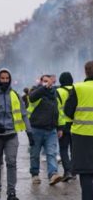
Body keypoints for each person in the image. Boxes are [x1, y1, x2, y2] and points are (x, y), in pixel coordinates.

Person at [0, 69, 33, 200]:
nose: (4, 80)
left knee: (11, 163)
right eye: (2, 78)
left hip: (11, 135)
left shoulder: (15, 95)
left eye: (7, 78)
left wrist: (29, 132)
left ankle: (11, 193)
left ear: (10, 79)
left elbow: (24, 114)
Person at [28, 74, 65, 185]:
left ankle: (53, 174)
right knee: (35, 154)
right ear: (40, 82)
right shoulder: (36, 92)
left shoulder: (55, 94)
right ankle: (35, 175)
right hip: (36, 129)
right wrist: (44, 88)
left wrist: (60, 127)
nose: (47, 83)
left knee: (51, 153)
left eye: (48, 82)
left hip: (51, 130)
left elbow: (58, 111)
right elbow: (32, 98)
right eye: (44, 81)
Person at [64, 61, 93, 200]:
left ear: (86, 72)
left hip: (82, 136)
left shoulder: (78, 88)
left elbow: (68, 111)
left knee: (86, 173)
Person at [56, 72, 74, 181]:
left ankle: (67, 171)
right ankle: (74, 170)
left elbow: (57, 110)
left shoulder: (58, 91)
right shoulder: (77, 89)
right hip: (76, 124)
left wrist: (59, 127)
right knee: (74, 149)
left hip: (63, 124)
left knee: (63, 149)